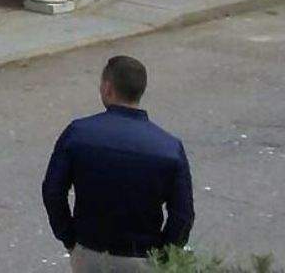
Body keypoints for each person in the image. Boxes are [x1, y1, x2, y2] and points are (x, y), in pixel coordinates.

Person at [43, 55, 194, 270]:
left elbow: (52, 191)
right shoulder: (169, 148)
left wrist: (69, 238)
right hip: (142, 256)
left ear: (107, 88)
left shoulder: (78, 134)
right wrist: (163, 256)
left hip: (90, 252)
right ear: (140, 91)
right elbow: (182, 215)